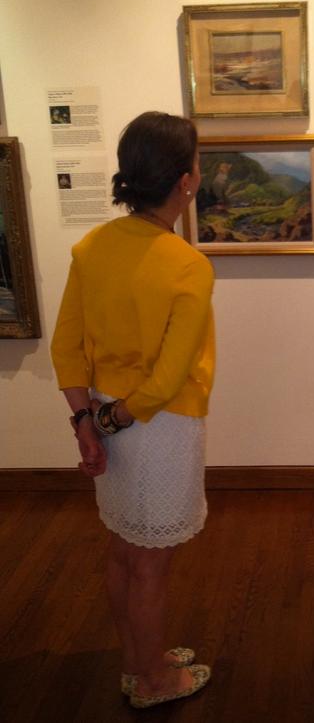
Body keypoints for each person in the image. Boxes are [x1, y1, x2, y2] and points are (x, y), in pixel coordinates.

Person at [51, 111, 215, 707]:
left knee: (124, 550)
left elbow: (65, 347)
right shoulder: (188, 265)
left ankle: (136, 662)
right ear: (184, 180)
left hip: (104, 415)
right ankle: (152, 681)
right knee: (150, 564)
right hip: (156, 427)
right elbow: (168, 378)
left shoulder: (92, 248)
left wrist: (87, 423)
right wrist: (114, 420)